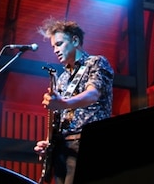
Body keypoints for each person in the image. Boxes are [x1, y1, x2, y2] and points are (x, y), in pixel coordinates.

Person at [33, 18, 114, 184]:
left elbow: (93, 95)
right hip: (62, 149)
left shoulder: (96, 62)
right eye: (53, 46)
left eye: (59, 44)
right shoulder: (62, 78)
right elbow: (60, 118)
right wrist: (49, 143)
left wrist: (62, 103)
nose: (55, 50)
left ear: (75, 40)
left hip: (88, 144)